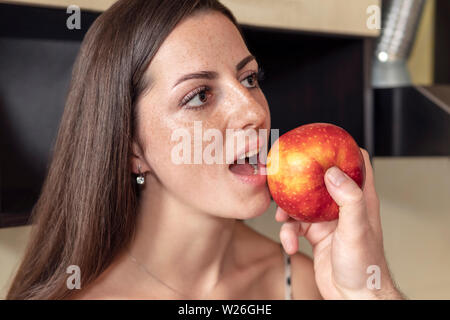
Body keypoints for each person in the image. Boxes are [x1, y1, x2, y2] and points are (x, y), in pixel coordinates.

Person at [6, 0, 404, 300]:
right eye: (199, 95)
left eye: (249, 78)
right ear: (132, 150)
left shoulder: (302, 283)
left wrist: (371, 290)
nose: (253, 111)